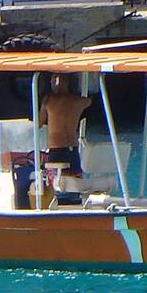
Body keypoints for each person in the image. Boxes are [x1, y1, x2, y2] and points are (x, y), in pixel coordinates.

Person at [38, 75, 91, 203]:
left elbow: (39, 123)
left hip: (56, 150)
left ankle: (56, 204)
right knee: (74, 186)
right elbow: (89, 101)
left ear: (54, 82)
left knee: (56, 186)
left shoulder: (49, 100)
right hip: (73, 149)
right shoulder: (79, 101)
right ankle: (75, 203)